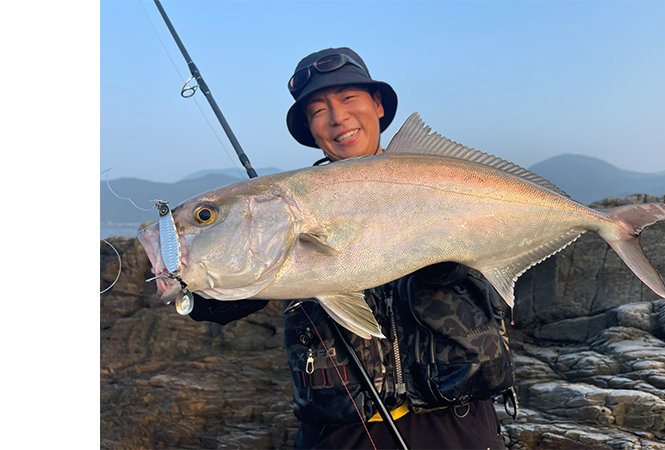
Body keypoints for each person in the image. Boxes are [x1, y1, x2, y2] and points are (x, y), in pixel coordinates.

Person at [189, 47, 515, 449]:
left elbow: (490, 258)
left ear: (378, 104)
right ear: (310, 129)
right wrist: (198, 284)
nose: (337, 117)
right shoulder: (289, 205)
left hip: (459, 424)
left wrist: (450, 263)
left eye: (348, 98)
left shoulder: (446, 179)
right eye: (317, 110)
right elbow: (239, 276)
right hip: (343, 435)